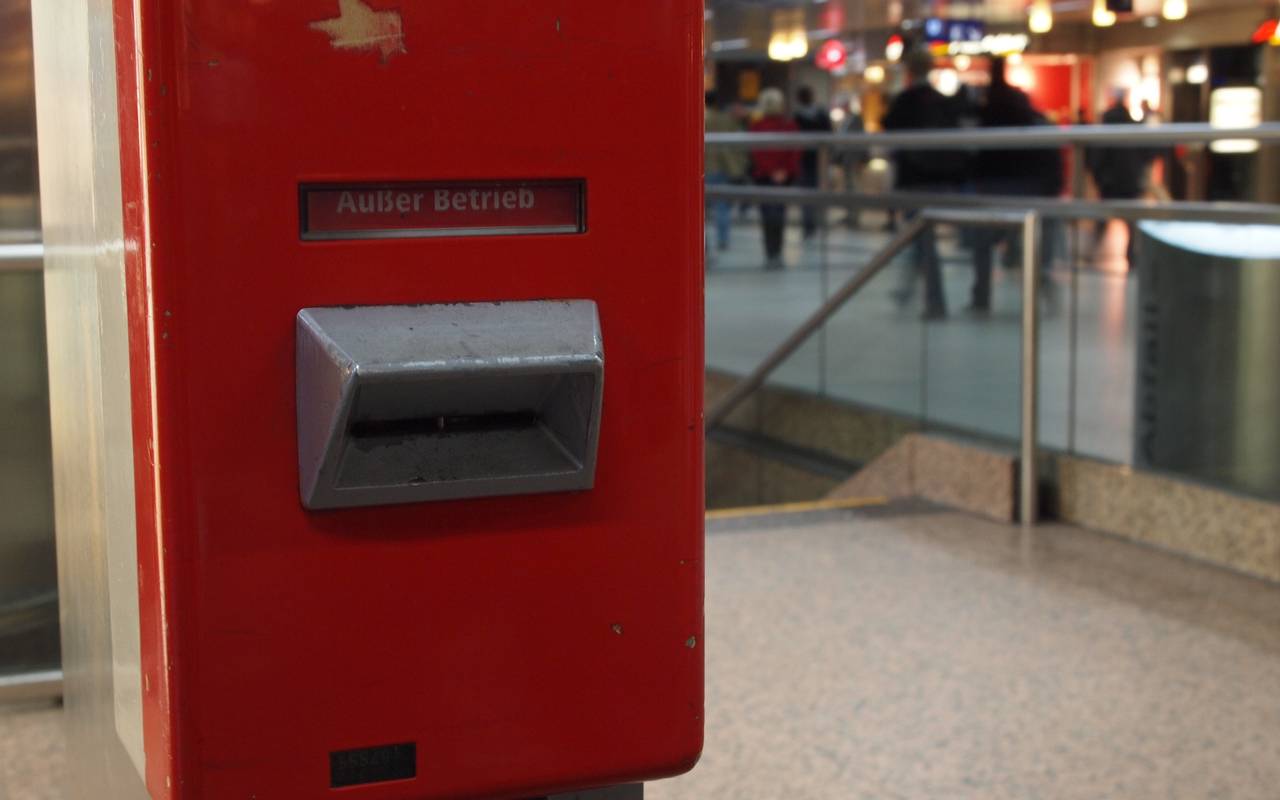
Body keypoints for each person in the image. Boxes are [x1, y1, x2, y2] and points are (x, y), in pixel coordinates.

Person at [969, 56, 1064, 312]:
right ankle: (1041, 289)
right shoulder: (1033, 120)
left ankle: (981, 296)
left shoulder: (987, 114)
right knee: (1031, 244)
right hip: (1029, 188)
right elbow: (1050, 159)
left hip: (995, 188)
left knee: (983, 243)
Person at [882, 47, 966, 319]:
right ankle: (909, 290)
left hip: (914, 179)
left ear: (909, 70)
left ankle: (933, 301)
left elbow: (890, 130)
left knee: (921, 240)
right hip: (939, 179)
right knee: (920, 238)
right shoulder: (941, 100)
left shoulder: (905, 101)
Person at [1087, 89, 1154, 269]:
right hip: (1130, 181)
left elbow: (1096, 158)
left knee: (1102, 220)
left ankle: (1091, 254)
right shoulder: (1132, 128)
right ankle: (1132, 257)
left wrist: (1099, 178)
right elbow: (1147, 154)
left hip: (1109, 183)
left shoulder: (1105, 129)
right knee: (1131, 222)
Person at [749, 88, 800, 270]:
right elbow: (793, 151)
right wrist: (782, 171)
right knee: (779, 214)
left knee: (768, 215)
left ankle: (772, 253)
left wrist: (772, 171)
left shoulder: (757, 126)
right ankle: (775, 252)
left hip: (765, 176)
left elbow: (757, 153)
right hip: (779, 177)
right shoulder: (788, 125)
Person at [705, 90, 748, 260]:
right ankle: (723, 239)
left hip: (702, 167)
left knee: (700, 209)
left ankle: (703, 243)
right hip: (722, 167)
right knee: (722, 205)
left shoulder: (700, 117)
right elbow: (738, 143)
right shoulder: (727, 119)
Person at [793, 86, 832, 239]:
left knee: (808, 193)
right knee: (816, 192)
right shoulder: (819, 115)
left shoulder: (799, 117)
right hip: (816, 159)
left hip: (809, 159)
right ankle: (814, 224)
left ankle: (811, 224)